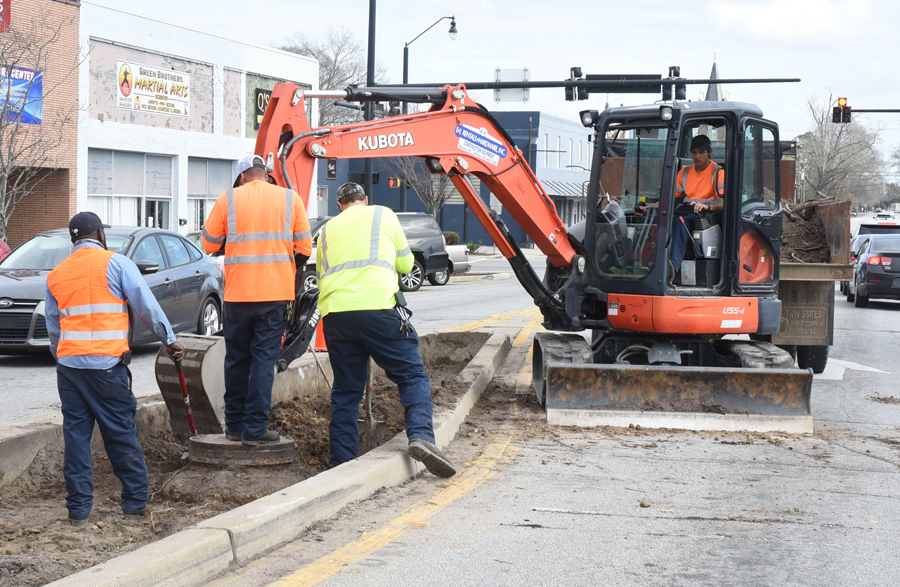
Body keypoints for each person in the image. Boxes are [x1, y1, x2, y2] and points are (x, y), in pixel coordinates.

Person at [45, 212, 185, 527]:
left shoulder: (56, 274)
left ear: (73, 239)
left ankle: (78, 511)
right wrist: (170, 340)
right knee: (120, 433)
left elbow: (54, 327)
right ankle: (135, 503)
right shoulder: (116, 264)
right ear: (100, 235)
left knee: (76, 438)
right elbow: (145, 305)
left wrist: (63, 356)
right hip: (106, 367)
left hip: (69, 368)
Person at [317, 182, 456, 478]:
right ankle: (421, 436)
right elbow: (406, 265)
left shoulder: (327, 229)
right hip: (379, 309)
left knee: (345, 391)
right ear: (364, 200)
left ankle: (340, 465)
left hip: (337, 315)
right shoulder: (383, 214)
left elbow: (320, 274)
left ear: (339, 205)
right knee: (411, 374)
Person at [201, 154, 312, 445]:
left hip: (238, 295)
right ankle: (255, 429)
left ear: (242, 177)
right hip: (275, 296)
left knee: (236, 360)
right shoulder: (291, 199)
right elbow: (305, 248)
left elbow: (208, 244)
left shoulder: (229, 199)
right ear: (266, 174)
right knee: (263, 362)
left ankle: (234, 426)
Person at [635, 134, 724, 279]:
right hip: (685, 209)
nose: (697, 156)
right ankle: (636, 262)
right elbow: (669, 198)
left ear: (709, 152)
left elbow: (721, 204)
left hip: (704, 213)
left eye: (701, 152)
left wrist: (705, 207)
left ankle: (671, 267)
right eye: (694, 152)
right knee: (653, 221)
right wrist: (649, 209)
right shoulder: (685, 172)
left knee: (680, 223)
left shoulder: (718, 172)